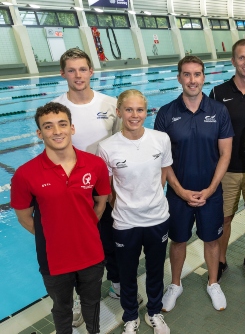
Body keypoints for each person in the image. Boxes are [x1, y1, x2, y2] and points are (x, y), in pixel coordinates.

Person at [53, 48, 138, 327]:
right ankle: (78, 299)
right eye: (71, 70)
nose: (78, 75)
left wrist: (116, 188)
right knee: (75, 248)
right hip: (71, 191)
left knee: (110, 240)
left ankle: (114, 283)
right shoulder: (57, 108)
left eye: (82, 69)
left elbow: (121, 144)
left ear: (91, 71)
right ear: (63, 73)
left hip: (106, 186)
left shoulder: (110, 103)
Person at [11, 102, 110, 334]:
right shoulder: (25, 174)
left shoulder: (95, 164)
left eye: (62, 124)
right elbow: (24, 217)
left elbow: (101, 203)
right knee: (62, 306)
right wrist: (53, 236)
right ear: (40, 133)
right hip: (53, 257)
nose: (57, 131)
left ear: (72, 128)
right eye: (48, 126)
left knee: (92, 302)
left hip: (91, 252)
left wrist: (83, 228)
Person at [154, 56, 234, 311]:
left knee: (212, 240)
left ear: (203, 77)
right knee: (177, 241)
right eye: (186, 75)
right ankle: (175, 284)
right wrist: (178, 190)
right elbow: (163, 161)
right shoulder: (166, 113)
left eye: (197, 74)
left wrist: (210, 189)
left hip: (211, 191)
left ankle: (213, 283)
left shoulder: (218, 110)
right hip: (178, 193)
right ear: (179, 78)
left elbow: (226, 154)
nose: (192, 80)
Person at [97, 90, 172, 334]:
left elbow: (163, 174)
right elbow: (107, 189)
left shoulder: (160, 139)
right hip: (125, 222)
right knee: (127, 273)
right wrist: (125, 206)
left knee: (155, 269)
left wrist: (149, 198)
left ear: (146, 112)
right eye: (129, 110)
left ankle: (154, 312)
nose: (134, 115)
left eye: (139, 110)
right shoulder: (107, 147)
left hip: (157, 218)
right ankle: (130, 316)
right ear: (119, 111)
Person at [209, 39, 245, 280]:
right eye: (241, 58)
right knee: (225, 217)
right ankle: (221, 260)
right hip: (228, 169)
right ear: (233, 61)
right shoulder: (218, 93)